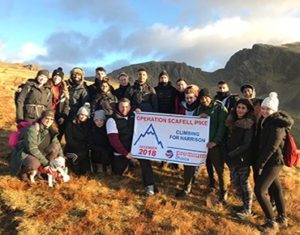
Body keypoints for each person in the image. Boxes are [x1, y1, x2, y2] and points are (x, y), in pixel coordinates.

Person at [176, 88, 228, 202]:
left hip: (214, 144)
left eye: (206, 97)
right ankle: (187, 187)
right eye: (202, 98)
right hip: (199, 144)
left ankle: (223, 191)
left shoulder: (219, 108)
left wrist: (215, 141)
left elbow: (222, 127)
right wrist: (198, 118)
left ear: (210, 97)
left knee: (219, 169)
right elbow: (193, 124)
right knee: (189, 164)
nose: (204, 100)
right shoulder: (199, 108)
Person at [254, 92, 294, 232]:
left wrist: (261, 163)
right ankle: (282, 218)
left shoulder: (276, 124)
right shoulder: (266, 120)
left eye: (268, 109)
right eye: (263, 108)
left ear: (275, 110)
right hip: (272, 161)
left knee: (259, 190)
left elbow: (272, 146)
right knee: (276, 189)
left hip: (274, 162)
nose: (265, 111)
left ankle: (271, 222)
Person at [106, 98, 156, 196]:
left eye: (126, 107)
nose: (124, 109)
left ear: (130, 107)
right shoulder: (111, 120)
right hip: (121, 151)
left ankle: (149, 186)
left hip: (136, 149)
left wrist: (140, 113)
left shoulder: (134, 115)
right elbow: (114, 141)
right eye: (122, 107)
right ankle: (129, 164)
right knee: (118, 173)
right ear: (117, 106)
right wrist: (126, 153)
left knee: (145, 162)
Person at [10, 110, 63, 180]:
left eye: (51, 119)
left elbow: (57, 144)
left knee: (55, 147)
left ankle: (41, 171)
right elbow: (32, 149)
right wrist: (46, 163)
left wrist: (61, 157)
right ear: (41, 119)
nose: (49, 121)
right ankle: (23, 172)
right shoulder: (32, 129)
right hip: (26, 153)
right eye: (46, 118)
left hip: (40, 152)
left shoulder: (51, 130)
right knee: (34, 164)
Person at [225, 99, 255, 218]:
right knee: (235, 181)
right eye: (238, 107)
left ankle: (247, 209)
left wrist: (231, 154)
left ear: (247, 110)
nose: (240, 110)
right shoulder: (232, 120)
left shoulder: (248, 124)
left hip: (243, 158)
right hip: (232, 157)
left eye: (243, 108)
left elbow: (246, 144)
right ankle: (243, 205)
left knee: (245, 183)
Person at [64, 103, 91, 175]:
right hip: (72, 148)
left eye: (85, 116)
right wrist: (81, 146)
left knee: (86, 155)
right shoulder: (71, 124)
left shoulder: (88, 125)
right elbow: (69, 140)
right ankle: (74, 169)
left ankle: (86, 172)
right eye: (81, 114)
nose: (83, 117)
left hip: (84, 148)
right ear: (78, 114)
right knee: (79, 155)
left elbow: (88, 138)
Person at [50, 67, 70, 140]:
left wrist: (63, 116)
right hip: (48, 111)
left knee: (58, 132)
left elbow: (66, 104)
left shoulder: (64, 88)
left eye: (59, 77)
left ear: (61, 78)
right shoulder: (47, 84)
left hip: (59, 113)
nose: (56, 78)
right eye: (55, 76)